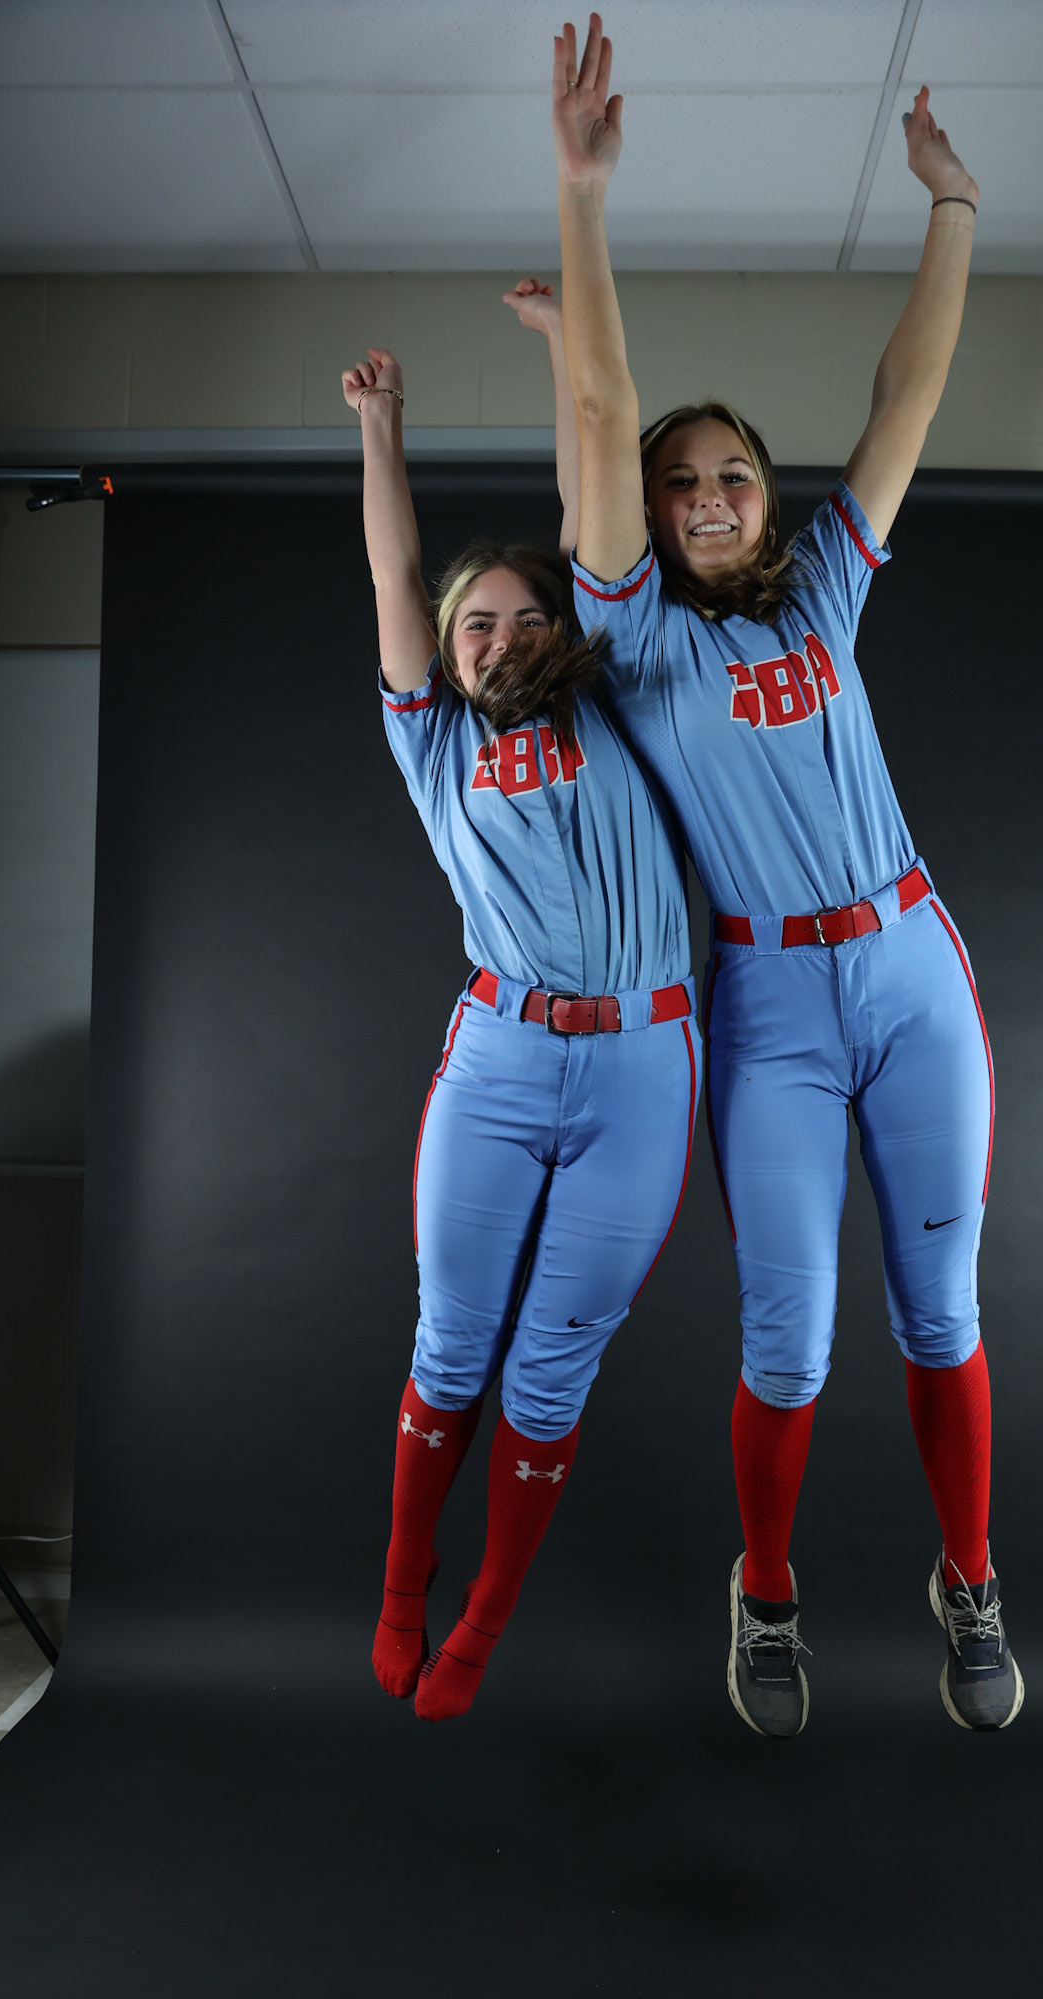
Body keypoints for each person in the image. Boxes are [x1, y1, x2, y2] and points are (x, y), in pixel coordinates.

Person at [549, 13, 1021, 1735]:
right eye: (679, 487)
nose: (706, 495)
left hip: (905, 966)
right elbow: (601, 410)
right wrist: (581, 201)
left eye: (732, 471)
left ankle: (966, 1573)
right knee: (790, 1338)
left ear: (769, 492)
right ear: (656, 523)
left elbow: (903, 394)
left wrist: (949, 207)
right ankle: (766, 1592)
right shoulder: (636, 637)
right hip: (766, 996)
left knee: (941, 1302)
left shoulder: (824, 588)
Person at [345, 326, 700, 1722]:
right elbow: (391, 572)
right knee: (451, 1343)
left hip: (638, 1069)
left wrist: (569, 359)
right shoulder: (436, 747)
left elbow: (590, 508)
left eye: (520, 614)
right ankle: (402, 1583)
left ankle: (484, 1623)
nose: (497, 635)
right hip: (496, 1060)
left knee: (551, 1369)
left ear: (561, 628)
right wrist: (384, 426)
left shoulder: (621, 700)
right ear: (449, 650)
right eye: (473, 621)